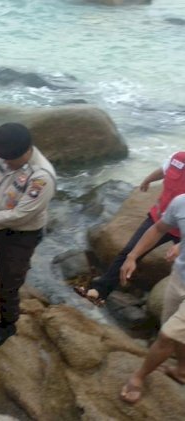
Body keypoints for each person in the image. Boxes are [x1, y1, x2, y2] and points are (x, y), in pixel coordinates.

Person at [0, 123, 56, 348]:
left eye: (9, 160)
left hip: (21, 236)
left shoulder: (42, 177)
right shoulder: (3, 157)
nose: (4, 163)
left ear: (26, 151)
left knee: (7, 283)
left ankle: (7, 325)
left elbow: (20, 215)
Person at [75, 151, 185, 306]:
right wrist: (148, 180)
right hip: (160, 221)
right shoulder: (178, 158)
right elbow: (164, 169)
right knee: (129, 252)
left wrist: (181, 245)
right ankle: (99, 291)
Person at [119, 193, 185, 404]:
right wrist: (132, 256)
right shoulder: (181, 202)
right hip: (179, 278)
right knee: (173, 328)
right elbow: (158, 228)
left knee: (167, 336)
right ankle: (182, 370)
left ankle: (138, 377)